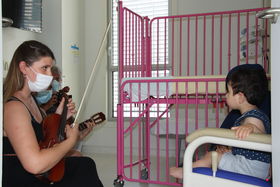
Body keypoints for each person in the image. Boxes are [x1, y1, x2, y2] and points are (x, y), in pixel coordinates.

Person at [3, 40, 103, 187]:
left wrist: (59, 116)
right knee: (83, 171)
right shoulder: (14, 108)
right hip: (23, 177)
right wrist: (70, 142)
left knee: (85, 164)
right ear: (24, 68)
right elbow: (34, 165)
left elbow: (41, 137)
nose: (50, 75)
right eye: (45, 68)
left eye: (50, 68)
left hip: (39, 174)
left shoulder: (31, 99)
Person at [170, 64, 271, 180]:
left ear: (240, 97)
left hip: (251, 168)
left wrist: (250, 127)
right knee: (219, 154)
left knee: (211, 156)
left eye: (228, 92)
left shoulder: (253, 117)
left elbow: (257, 130)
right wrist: (230, 149)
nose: (226, 95)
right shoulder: (254, 113)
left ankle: (185, 172)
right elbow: (250, 146)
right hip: (253, 165)